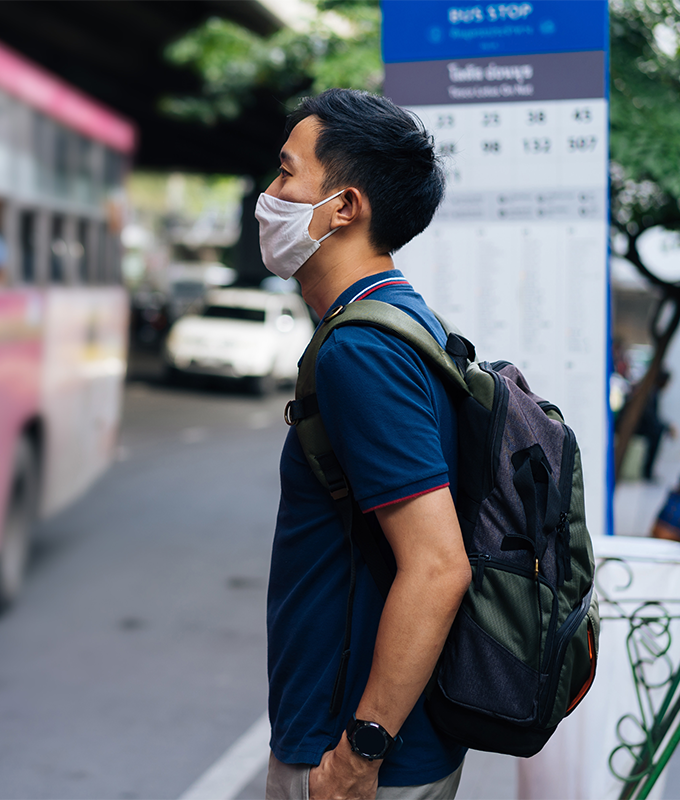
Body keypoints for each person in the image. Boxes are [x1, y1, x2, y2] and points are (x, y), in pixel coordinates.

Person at [262, 89, 469, 800]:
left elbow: (439, 566)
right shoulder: (406, 320)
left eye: (287, 174)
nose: (270, 194)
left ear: (344, 206)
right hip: (372, 746)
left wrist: (359, 754)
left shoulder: (363, 352)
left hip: (348, 756)